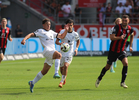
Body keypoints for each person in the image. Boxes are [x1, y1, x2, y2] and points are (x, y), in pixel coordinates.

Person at [21, 18, 69, 93]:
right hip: (47, 50)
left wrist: (66, 30)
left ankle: (32, 83)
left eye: (49, 24)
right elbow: (31, 34)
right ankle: (56, 73)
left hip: (51, 52)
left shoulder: (51, 32)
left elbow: (62, 36)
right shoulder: (40, 31)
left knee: (44, 71)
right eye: (47, 24)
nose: (48, 26)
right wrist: (24, 39)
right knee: (59, 55)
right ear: (43, 25)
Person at [95, 15, 134, 88]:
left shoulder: (130, 29)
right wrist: (120, 37)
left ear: (128, 21)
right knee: (107, 67)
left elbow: (132, 35)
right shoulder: (117, 27)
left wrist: (131, 46)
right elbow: (111, 38)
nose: (124, 22)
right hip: (113, 50)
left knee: (125, 63)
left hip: (122, 50)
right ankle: (99, 78)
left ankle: (122, 82)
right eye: (123, 20)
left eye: (126, 20)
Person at [55, 19, 80, 88]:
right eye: (68, 25)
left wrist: (76, 48)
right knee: (61, 69)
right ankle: (64, 77)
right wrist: (60, 44)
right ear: (66, 25)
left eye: (71, 25)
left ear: (73, 26)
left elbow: (78, 41)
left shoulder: (75, 34)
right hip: (62, 54)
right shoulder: (62, 32)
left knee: (66, 66)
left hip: (69, 53)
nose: (70, 27)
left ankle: (61, 82)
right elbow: (56, 41)